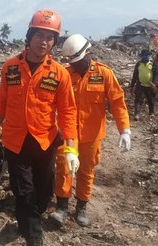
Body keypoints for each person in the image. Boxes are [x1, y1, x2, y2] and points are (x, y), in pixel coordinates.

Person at [0, 9, 79, 246]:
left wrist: (71, 148)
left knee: (44, 192)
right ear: (29, 36)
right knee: (24, 191)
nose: (44, 42)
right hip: (15, 140)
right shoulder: (10, 67)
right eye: (39, 35)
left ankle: (28, 217)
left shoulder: (59, 73)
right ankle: (34, 236)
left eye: (50, 37)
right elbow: (3, 100)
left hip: (45, 140)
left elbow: (68, 111)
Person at [50, 33, 131, 227]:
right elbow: (52, 104)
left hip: (92, 135)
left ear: (89, 53)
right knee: (63, 168)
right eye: (72, 62)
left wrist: (125, 129)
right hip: (67, 133)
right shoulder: (65, 74)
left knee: (86, 171)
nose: (75, 66)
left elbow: (118, 103)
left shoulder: (104, 74)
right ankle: (61, 207)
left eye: (78, 61)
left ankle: (81, 208)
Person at [130, 49, 158, 121]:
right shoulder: (139, 64)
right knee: (138, 100)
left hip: (150, 85)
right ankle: (137, 114)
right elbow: (135, 75)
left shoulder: (153, 64)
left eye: (147, 56)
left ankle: (151, 113)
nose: (145, 57)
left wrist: (154, 83)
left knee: (150, 100)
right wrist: (132, 86)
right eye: (144, 56)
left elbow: (156, 74)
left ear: (149, 56)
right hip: (140, 84)